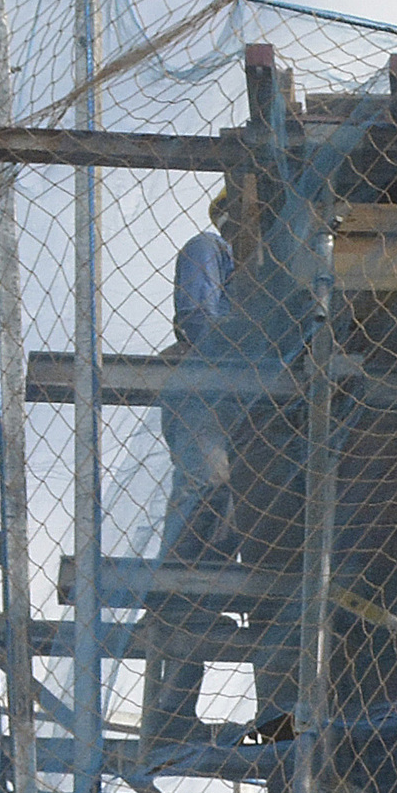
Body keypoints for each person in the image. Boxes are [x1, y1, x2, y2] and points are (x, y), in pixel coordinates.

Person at [138, 204, 238, 754]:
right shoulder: (212, 251)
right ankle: (173, 717)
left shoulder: (292, 265)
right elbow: (198, 322)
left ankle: (280, 728)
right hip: (206, 395)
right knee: (210, 489)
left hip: (260, 411)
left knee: (243, 526)